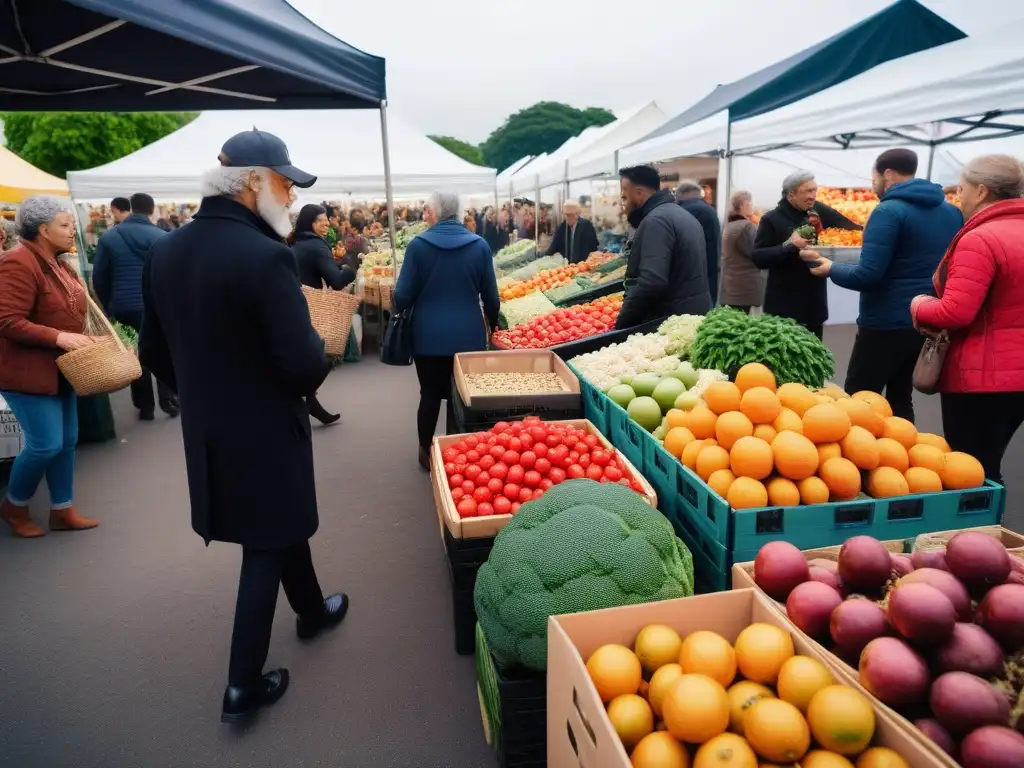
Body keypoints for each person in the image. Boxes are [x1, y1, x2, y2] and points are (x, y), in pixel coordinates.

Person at [138, 130, 348, 723]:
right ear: (252, 182)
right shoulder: (264, 255)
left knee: (278, 526)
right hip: (264, 427)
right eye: (284, 182)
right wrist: (314, 342)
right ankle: (241, 684)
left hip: (208, 426)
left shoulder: (168, 249)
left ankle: (311, 609)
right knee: (265, 545)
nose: (288, 193)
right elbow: (303, 362)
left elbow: (153, 351)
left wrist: (207, 387)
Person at [802, 149, 962, 422]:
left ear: (886, 175)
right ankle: (901, 457)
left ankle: (860, 461)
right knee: (900, 397)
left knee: (859, 398)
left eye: (873, 177)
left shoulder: (888, 211)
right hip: (925, 319)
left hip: (884, 322)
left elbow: (868, 275)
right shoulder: (951, 212)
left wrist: (830, 268)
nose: (872, 184)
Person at [909, 154, 1024, 483]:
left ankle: (979, 533)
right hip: (1017, 377)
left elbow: (955, 312)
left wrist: (918, 305)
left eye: (962, 190)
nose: (959, 198)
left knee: (970, 471)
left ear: (982, 192)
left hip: (982, 376)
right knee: (989, 462)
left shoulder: (980, 239)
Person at [0, 196, 100, 538]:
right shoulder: (18, 262)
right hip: (27, 373)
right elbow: (6, 320)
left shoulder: (57, 262)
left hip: (61, 369)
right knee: (45, 444)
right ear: (43, 229)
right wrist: (59, 337)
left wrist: (87, 338)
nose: (73, 229)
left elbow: (69, 310)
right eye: (64, 224)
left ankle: (62, 510)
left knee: (67, 441)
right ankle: (14, 506)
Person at [393, 191, 500, 471]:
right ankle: (458, 453)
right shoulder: (479, 246)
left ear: (436, 212)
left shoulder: (418, 246)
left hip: (427, 334)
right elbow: (491, 295)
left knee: (429, 392)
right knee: (461, 394)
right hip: (468, 334)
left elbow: (402, 296)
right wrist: (493, 323)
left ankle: (425, 451)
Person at [92, 192, 179, 421]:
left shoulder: (109, 238)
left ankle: (145, 406)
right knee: (162, 349)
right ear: (151, 210)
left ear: (130, 208)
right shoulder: (163, 236)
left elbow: (100, 276)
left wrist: (109, 305)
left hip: (124, 306)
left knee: (134, 354)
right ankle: (168, 400)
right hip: (157, 305)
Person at [752, 170, 862, 339]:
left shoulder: (817, 211)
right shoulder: (771, 219)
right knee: (785, 359)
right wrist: (789, 245)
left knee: (815, 357)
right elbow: (758, 257)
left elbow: (850, 227)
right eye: (807, 191)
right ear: (791, 194)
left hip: (814, 305)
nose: (813, 196)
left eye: (814, 190)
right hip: (783, 308)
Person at [615, 164, 712, 329]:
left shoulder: (656, 221)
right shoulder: (680, 213)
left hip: (671, 321)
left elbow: (651, 281)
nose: (623, 205)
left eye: (624, 197)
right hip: (691, 316)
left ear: (639, 194)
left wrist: (622, 323)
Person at [290, 203, 357, 426]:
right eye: (321, 220)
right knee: (327, 351)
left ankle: (309, 400)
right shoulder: (317, 247)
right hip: (314, 308)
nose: (327, 223)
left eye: (327, 219)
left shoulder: (298, 243)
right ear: (311, 223)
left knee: (311, 353)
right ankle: (304, 397)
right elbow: (336, 282)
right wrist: (351, 268)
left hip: (297, 304)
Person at [675, 179, 721, 304]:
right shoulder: (709, 210)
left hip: (690, 276)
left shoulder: (685, 211)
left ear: (680, 195)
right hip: (709, 270)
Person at [719, 190, 763, 313]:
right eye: (750, 203)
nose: (752, 207)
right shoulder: (746, 227)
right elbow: (757, 253)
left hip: (731, 286)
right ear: (744, 204)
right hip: (744, 288)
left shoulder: (730, 225)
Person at [546, 200, 599, 264]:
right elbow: (553, 248)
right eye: (565, 214)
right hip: (565, 268)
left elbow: (592, 248)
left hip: (583, 266)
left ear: (577, 214)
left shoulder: (586, 226)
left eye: (569, 215)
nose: (566, 218)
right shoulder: (561, 227)